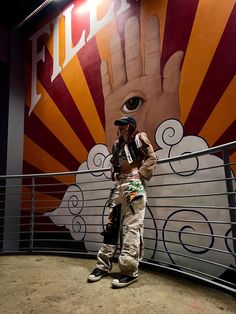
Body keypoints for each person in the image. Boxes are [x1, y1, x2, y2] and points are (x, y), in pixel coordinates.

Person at [87, 116, 157, 288]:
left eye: (124, 125)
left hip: (134, 185)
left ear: (131, 126)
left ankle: (129, 271)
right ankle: (103, 266)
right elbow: (113, 163)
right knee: (112, 225)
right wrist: (115, 173)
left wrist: (139, 174)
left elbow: (152, 158)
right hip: (119, 185)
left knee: (132, 226)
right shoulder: (116, 144)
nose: (121, 128)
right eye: (119, 125)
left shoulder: (140, 138)